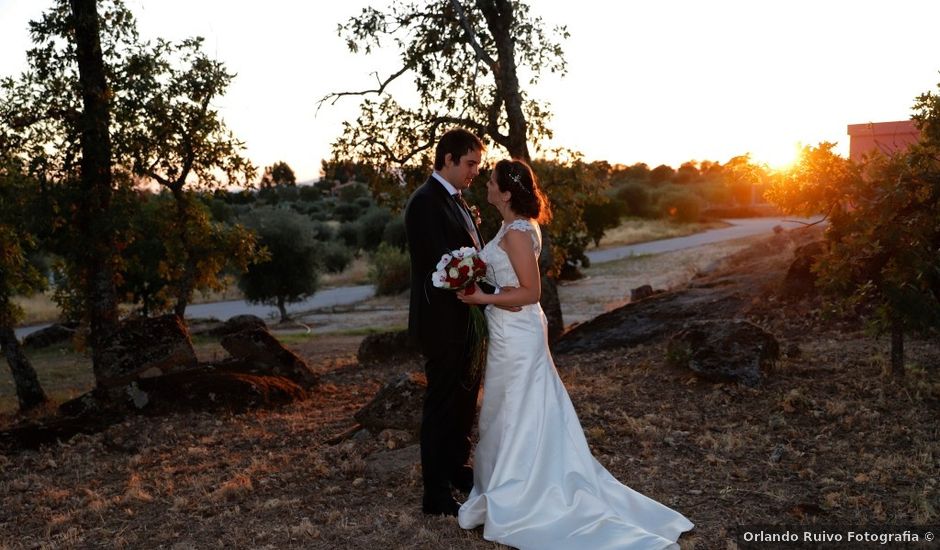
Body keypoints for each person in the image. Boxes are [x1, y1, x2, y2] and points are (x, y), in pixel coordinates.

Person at [456, 159, 695, 549]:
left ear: (506, 191)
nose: (486, 185)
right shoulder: (511, 226)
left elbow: (531, 292)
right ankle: (509, 480)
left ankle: (525, 490)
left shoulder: (516, 232)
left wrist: (482, 296)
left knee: (519, 405)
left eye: (492, 181)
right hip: (510, 327)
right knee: (510, 404)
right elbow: (514, 282)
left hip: (517, 330)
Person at [404, 128, 488, 516]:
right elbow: (440, 264)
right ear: (448, 159)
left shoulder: (456, 201)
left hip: (466, 320)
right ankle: (435, 494)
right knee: (441, 405)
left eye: (477, 165)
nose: (474, 172)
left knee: (464, 402)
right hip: (441, 322)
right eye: (470, 164)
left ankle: (457, 468)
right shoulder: (424, 202)